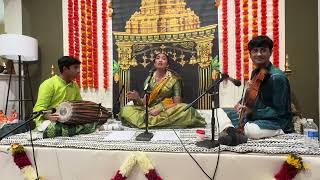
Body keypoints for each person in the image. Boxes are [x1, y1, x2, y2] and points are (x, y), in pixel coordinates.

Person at [218, 35, 293, 146]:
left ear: (270, 52)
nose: (259, 54)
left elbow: (280, 111)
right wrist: (240, 104)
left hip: (275, 121)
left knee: (252, 130)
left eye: (263, 50)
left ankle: (232, 131)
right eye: (255, 51)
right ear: (250, 54)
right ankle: (233, 131)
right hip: (253, 116)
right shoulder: (256, 73)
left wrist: (251, 111)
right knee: (219, 112)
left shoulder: (277, 77)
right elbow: (251, 97)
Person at [119, 53, 206, 128]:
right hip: (150, 109)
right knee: (125, 109)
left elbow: (177, 103)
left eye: (163, 59)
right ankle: (156, 122)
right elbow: (145, 103)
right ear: (155, 63)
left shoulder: (174, 80)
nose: (160, 60)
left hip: (166, 109)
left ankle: (146, 121)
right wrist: (137, 98)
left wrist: (160, 109)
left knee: (186, 109)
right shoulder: (149, 79)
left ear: (167, 65)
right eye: (158, 58)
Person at [33, 56, 100, 138]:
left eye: (79, 68)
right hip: (50, 121)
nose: (78, 71)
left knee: (91, 123)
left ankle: (71, 130)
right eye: (75, 68)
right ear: (65, 69)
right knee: (56, 128)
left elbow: (79, 105)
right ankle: (70, 130)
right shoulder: (49, 84)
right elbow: (38, 108)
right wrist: (46, 116)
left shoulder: (74, 85)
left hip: (68, 122)